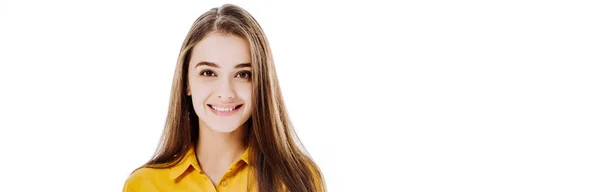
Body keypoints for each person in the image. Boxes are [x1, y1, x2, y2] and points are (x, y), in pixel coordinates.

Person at [121, 3, 326, 192]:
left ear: (261, 84)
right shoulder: (144, 184)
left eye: (243, 74)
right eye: (208, 73)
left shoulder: (298, 179)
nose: (226, 93)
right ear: (186, 82)